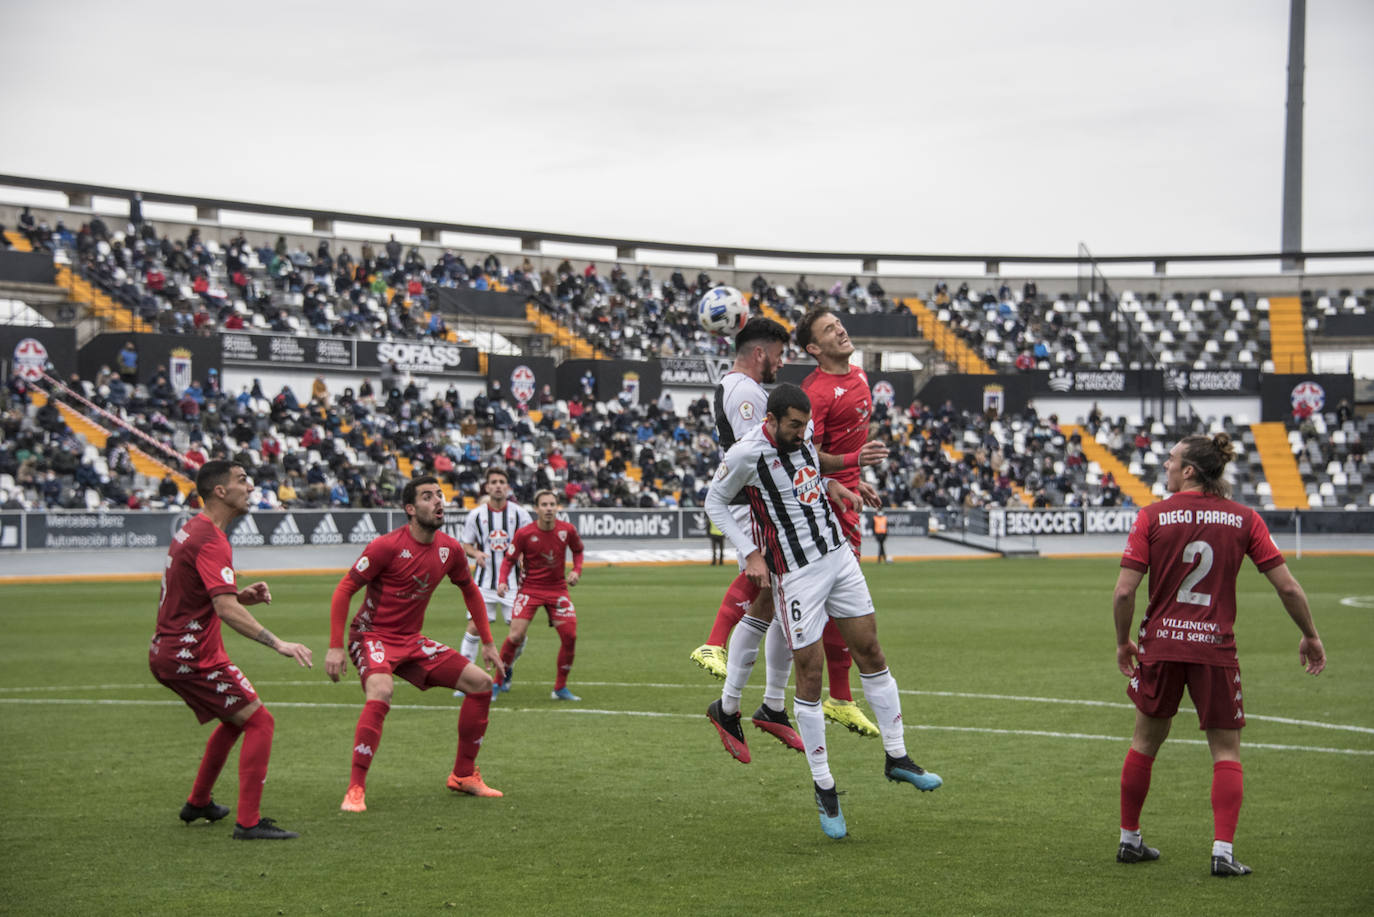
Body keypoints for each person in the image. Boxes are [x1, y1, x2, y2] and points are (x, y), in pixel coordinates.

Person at [704, 384, 941, 838]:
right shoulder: (745, 454)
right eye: (794, 426)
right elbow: (714, 501)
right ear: (770, 420)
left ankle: (897, 756)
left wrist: (834, 486)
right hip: (796, 574)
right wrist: (750, 553)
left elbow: (808, 471)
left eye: (804, 425)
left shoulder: (802, 434)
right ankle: (825, 787)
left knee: (871, 650)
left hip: (838, 557)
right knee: (810, 675)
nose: (802, 432)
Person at [1112, 433, 1327, 877]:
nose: (1166, 466)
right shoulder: (1244, 519)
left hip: (1162, 646)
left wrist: (1122, 641)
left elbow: (1123, 593)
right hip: (1214, 648)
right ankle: (1222, 852)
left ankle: (1129, 839)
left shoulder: (1151, 516)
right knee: (1226, 752)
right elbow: (1286, 585)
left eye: (1171, 461)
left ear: (1190, 470)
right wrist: (1310, 634)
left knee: (1144, 745)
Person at [148, 460, 314, 840]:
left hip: (178, 649)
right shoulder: (210, 538)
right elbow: (223, 610)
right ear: (220, 491)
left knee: (235, 719)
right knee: (260, 721)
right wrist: (279, 643)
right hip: (190, 654)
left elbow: (203, 596)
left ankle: (199, 802)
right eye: (242, 481)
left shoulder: (196, 531)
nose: (251, 487)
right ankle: (249, 823)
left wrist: (239, 596)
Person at [326, 476, 507, 812]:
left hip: (411, 641)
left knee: (481, 684)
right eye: (427, 496)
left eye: (440, 495)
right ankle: (355, 788)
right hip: (371, 636)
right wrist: (337, 646)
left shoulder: (449, 549)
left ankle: (463, 775)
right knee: (381, 690)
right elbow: (344, 590)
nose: (438, 501)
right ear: (410, 509)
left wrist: (488, 642)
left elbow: (470, 590)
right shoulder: (386, 546)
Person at [797, 307, 882, 736]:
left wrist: (856, 477)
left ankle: (840, 697)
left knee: (836, 597)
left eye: (838, 324)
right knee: (826, 597)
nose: (840, 330)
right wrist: (847, 468)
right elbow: (804, 458)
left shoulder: (860, 376)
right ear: (814, 348)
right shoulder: (814, 393)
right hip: (823, 501)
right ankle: (823, 698)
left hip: (848, 497)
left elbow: (848, 442)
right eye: (829, 329)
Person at [496, 490, 585, 700]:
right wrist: (502, 581)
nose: (548, 508)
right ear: (536, 509)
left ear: (557, 507)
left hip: (558, 589)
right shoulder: (525, 533)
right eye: (544, 505)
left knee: (570, 636)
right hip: (530, 589)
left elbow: (578, 551)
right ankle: (497, 683)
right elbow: (509, 559)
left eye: (552, 504)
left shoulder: (567, 530)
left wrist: (576, 571)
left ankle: (560, 688)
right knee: (516, 635)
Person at [455, 467, 532, 694]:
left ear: (507, 487)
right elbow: (466, 544)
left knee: (519, 634)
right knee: (473, 628)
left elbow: (530, 543)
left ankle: (506, 669)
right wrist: (476, 554)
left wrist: (525, 559)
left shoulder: (520, 514)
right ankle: (463, 679)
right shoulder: (476, 515)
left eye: (502, 482)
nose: (498, 485)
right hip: (483, 583)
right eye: (494, 482)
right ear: (487, 487)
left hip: (513, 584)